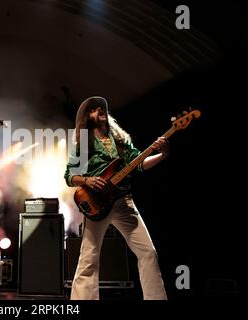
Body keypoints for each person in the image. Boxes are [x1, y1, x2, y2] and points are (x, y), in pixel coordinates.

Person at [64, 96, 169, 300]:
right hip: (97, 204)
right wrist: (87, 181)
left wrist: (161, 155)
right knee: (89, 259)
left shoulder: (120, 140)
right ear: (87, 117)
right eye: (93, 109)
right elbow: (69, 176)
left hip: (123, 202)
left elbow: (139, 163)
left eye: (101, 107)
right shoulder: (83, 143)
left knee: (148, 253)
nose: (99, 110)